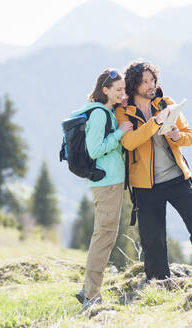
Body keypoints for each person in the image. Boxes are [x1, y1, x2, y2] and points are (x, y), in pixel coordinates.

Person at [115, 61, 192, 280]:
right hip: (145, 186)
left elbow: (189, 135)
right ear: (133, 86)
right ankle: (159, 283)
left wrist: (179, 137)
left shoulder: (167, 103)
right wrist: (154, 122)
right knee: (153, 239)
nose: (151, 85)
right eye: (145, 82)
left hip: (177, 178)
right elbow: (129, 142)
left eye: (153, 80)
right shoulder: (124, 112)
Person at [74, 68, 133, 309]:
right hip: (106, 183)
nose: (122, 93)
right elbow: (95, 149)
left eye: (123, 89)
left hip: (109, 181)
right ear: (105, 90)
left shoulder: (105, 110)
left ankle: (88, 288)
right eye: (118, 90)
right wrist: (120, 133)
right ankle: (91, 295)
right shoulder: (99, 114)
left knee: (105, 236)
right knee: (103, 237)